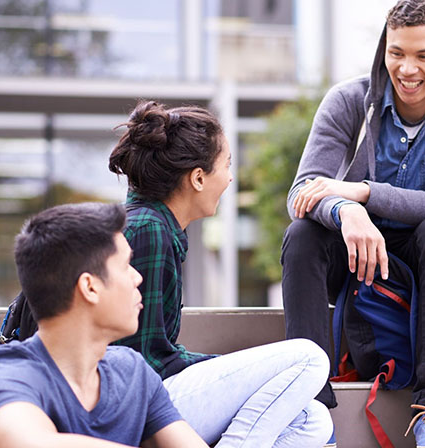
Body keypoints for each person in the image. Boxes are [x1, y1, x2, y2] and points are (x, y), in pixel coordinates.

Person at [281, 0, 425, 446]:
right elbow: (303, 191)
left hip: (421, 252)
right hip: (352, 247)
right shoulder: (347, 100)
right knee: (301, 236)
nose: (407, 69)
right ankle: (309, 412)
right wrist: (347, 211)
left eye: (424, 56)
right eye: (396, 53)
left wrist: (363, 193)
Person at [108, 101, 332, 447]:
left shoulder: (149, 225)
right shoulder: (148, 231)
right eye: (227, 165)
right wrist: (234, 369)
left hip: (140, 401)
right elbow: (144, 363)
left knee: (311, 418)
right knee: (309, 357)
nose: (230, 178)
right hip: (131, 412)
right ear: (198, 178)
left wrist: (237, 371)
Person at [0, 202, 208, 448]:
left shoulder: (133, 373)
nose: (138, 277)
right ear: (90, 287)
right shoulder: (7, 374)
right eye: (126, 265)